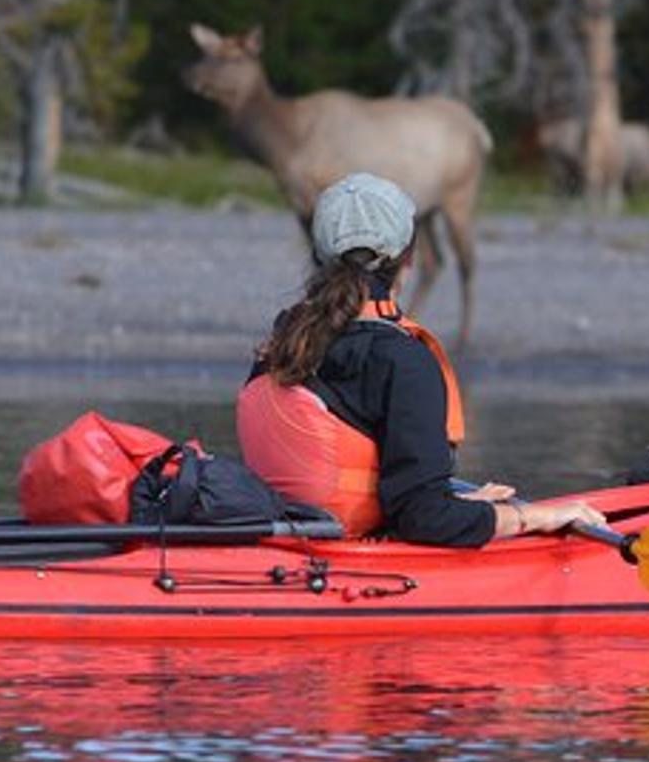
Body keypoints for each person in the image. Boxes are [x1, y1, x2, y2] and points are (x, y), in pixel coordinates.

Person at [237, 171, 607, 546]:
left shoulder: (284, 338)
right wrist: (533, 516)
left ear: (318, 255)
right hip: (345, 554)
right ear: (408, 258)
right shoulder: (403, 360)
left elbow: (411, 503)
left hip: (288, 538)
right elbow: (424, 519)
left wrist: (462, 506)